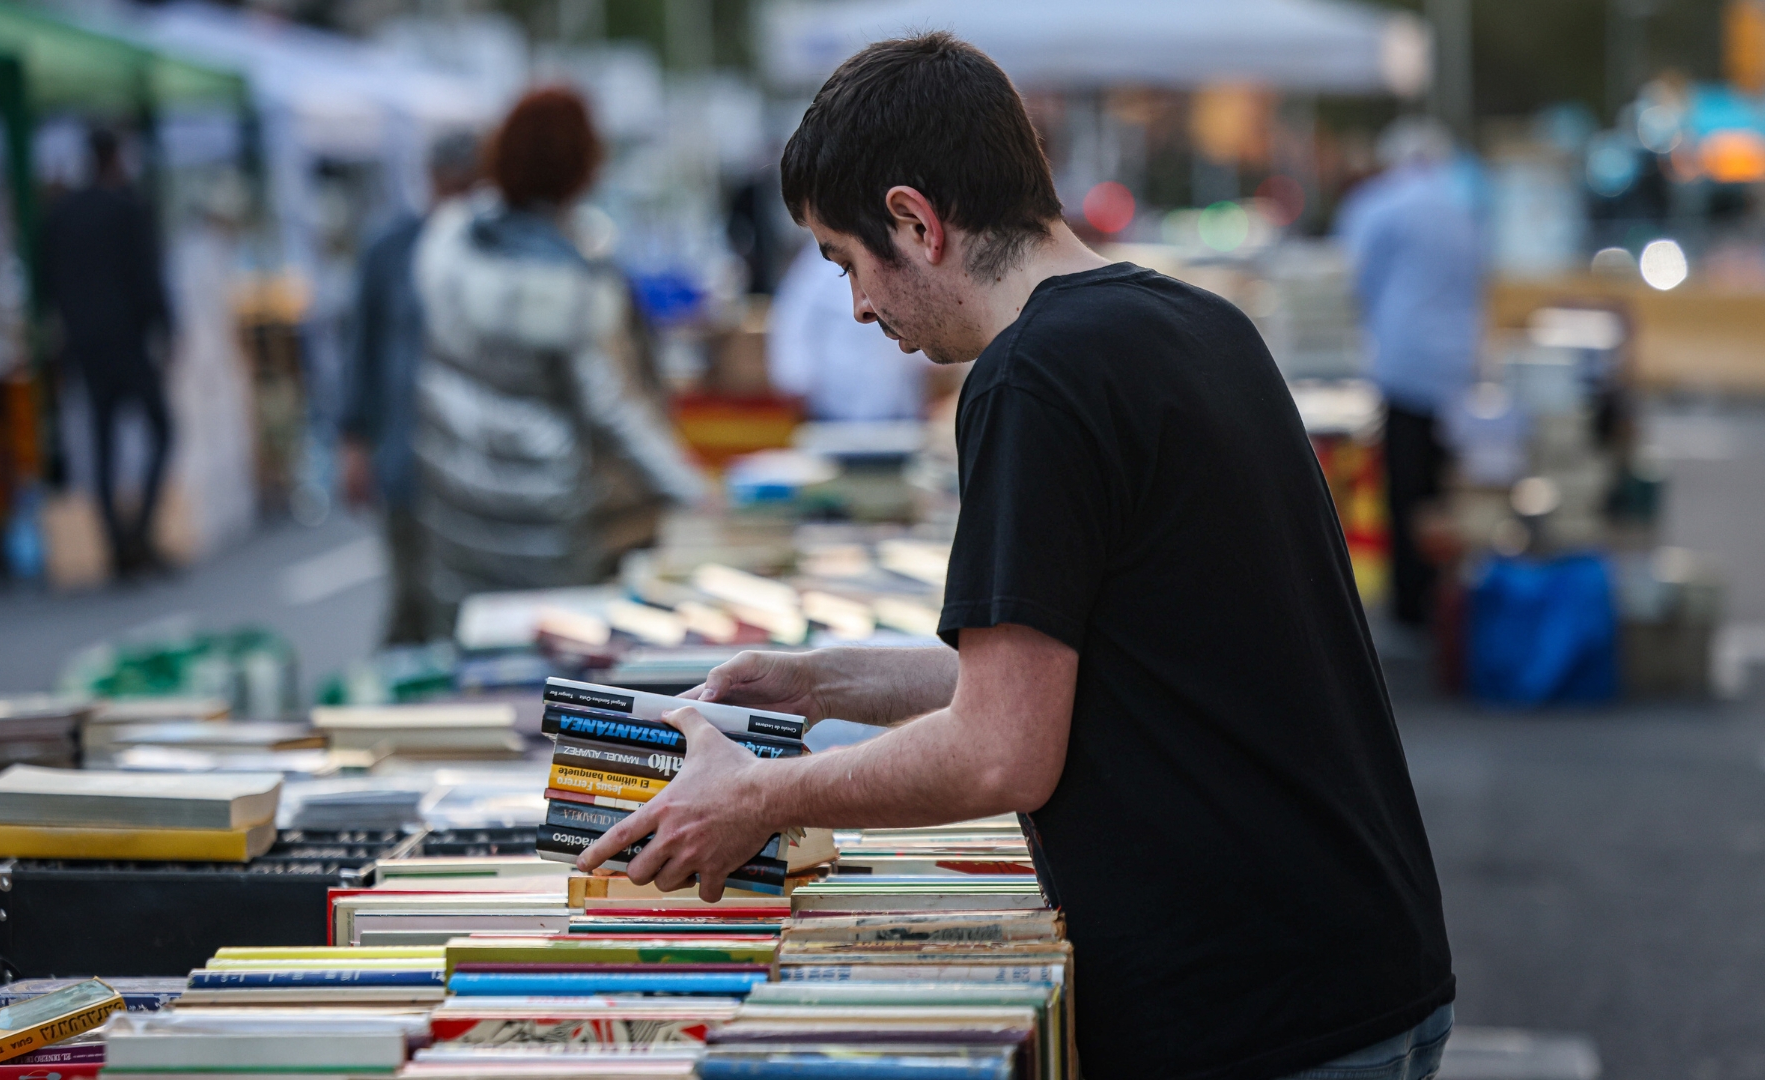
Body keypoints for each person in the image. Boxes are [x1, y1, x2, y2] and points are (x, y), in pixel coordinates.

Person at [578, 34, 1454, 1080]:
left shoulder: (1033, 378)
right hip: (1359, 970)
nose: (858, 304)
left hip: (1252, 1016)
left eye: (848, 260)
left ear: (916, 221)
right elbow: (1095, 670)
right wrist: (815, 683)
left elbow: (1003, 750)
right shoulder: (1195, 324)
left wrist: (759, 798)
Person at [411, 88, 704, 636]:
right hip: (545, 513)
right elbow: (612, 407)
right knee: (558, 670)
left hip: (455, 504)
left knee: (479, 654)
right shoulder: (568, 279)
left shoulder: (450, 241)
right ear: (578, 164)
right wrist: (694, 491)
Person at [1337, 117, 1485, 626]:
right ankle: (1440, 602)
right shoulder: (1462, 206)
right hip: (1454, 364)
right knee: (1440, 487)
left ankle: (1408, 606)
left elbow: (1355, 276)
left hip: (1403, 361)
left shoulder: (1383, 203)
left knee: (1404, 490)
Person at [339, 131, 480, 644]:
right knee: (412, 595)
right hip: (408, 457)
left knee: (469, 605)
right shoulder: (392, 248)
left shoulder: (490, 249)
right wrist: (353, 441)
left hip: (475, 464)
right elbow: (363, 350)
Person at [40, 128, 172, 577]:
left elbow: (47, 284)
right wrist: (166, 331)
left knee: (103, 447)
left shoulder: (63, 215)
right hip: (129, 345)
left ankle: (119, 544)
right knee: (163, 430)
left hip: (86, 346)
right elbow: (147, 277)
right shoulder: (127, 210)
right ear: (116, 157)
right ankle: (139, 535)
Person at [767, 238, 932, 421]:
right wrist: (796, 381)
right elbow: (792, 322)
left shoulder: (899, 247)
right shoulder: (817, 264)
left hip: (900, 409)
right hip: (833, 410)